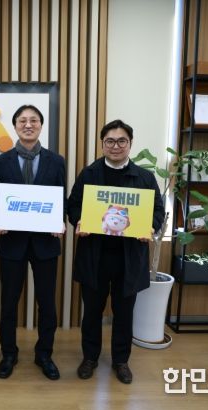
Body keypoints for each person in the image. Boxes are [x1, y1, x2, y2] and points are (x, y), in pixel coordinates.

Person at [67, 119, 164, 384]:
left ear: (130, 144)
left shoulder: (144, 177)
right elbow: (73, 205)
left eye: (122, 141)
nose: (116, 146)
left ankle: (121, 361)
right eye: (110, 141)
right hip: (95, 255)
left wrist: (150, 226)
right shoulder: (89, 174)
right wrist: (79, 220)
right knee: (92, 312)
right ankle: (90, 358)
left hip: (129, 257)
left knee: (124, 312)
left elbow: (158, 210)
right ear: (102, 144)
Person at [0, 105, 66, 380]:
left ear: (41, 126)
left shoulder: (57, 161)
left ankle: (44, 354)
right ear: (15, 126)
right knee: (9, 303)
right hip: (12, 242)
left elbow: (61, 197)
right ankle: (8, 354)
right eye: (22, 120)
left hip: (46, 243)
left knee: (47, 303)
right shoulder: (1, 162)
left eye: (34, 120)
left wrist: (60, 221)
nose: (28, 124)